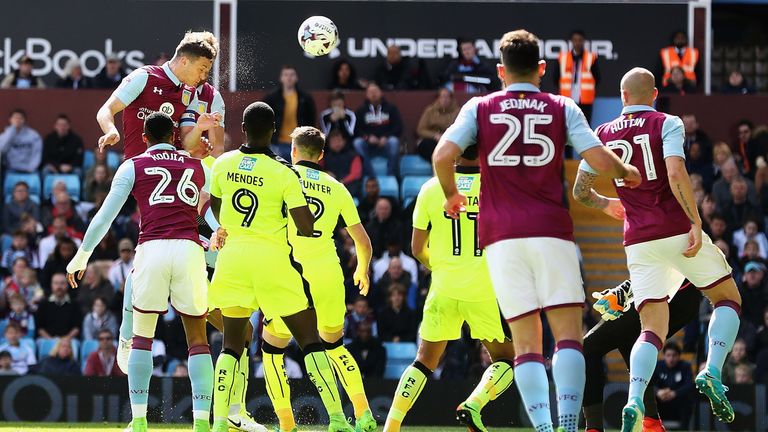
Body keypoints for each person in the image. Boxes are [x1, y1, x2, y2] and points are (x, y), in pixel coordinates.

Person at [433, 29, 639, 432]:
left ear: (500, 71)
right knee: (568, 336)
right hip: (550, 231)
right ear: (542, 69)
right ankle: (566, 424)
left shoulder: (479, 107)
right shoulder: (562, 106)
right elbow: (595, 154)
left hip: (500, 238)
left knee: (526, 344)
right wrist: (624, 170)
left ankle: (543, 429)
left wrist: (451, 194)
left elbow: (443, 154)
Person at [573, 67, 742, 429]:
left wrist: (606, 204)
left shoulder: (600, 134)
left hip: (637, 242)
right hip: (675, 229)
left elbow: (580, 191)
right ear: (653, 94)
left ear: (622, 97)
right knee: (727, 298)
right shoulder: (668, 122)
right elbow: (676, 172)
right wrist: (695, 221)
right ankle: (711, 370)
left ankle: (635, 401)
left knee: (650, 329)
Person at [207, 102, 354, 432]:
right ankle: (337, 419)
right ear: (274, 131)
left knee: (231, 344)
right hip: (272, 260)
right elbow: (304, 224)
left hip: (233, 259)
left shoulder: (223, 164)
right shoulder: (283, 171)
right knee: (309, 340)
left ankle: (217, 422)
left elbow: (216, 211)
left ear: (242, 128)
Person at [66, 112, 214, 432]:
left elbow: (105, 217)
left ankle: (139, 420)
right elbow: (212, 216)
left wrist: (81, 256)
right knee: (198, 339)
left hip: (152, 249)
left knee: (143, 338)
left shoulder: (132, 166)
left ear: (144, 138)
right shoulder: (199, 165)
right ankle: (202, 422)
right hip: (190, 249)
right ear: (175, 136)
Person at [384, 145, 517, 431]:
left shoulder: (431, 188)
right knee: (507, 358)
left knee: (424, 360)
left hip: (443, 286)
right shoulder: (499, 188)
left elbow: (417, 249)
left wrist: (443, 267)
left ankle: (391, 426)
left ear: (454, 152)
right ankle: (474, 404)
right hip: (485, 289)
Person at [258, 126, 377, 432]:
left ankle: (289, 424)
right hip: (327, 271)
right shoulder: (337, 187)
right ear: (322, 155)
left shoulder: (282, 177)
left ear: (293, 152)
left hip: (290, 272)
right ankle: (363, 414)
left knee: (273, 349)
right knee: (334, 346)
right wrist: (362, 269)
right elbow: (362, 242)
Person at [582, 280, 702, 432]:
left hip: (665, 292)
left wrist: (624, 289)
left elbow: (656, 264)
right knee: (629, 339)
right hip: (685, 300)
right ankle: (652, 422)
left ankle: (595, 428)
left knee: (588, 347)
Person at [96, 31, 220, 160]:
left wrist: (198, 128)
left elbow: (188, 144)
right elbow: (106, 110)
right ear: (184, 61)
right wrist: (110, 130)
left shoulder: (191, 93)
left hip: (173, 171)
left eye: (206, 72)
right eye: (201, 69)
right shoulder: (144, 76)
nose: (203, 77)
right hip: (138, 169)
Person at [263, 65, 317, 160]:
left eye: (292, 75)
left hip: (299, 143)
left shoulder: (305, 98)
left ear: (296, 78)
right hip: (276, 143)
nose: (289, 78)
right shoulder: (272, 98)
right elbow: (264, 118)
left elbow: (311, 119)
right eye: (286, 75)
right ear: (281, 78)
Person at [353, 83, 403, 176]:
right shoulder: (361, 110)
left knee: (394, 141)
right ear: (367, 95)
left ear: (381, 93)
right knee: (357, 143)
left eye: (375, 91)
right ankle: (370, 176)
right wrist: (367, 138)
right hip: (368, 144)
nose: (373, 94)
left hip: (386, 144)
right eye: (371, 92)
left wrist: (386, 137)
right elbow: (356, 130)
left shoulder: (391, 108)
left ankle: (391, 175)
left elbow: (398, 127)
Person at [554, 30, 601, 123]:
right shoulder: (563, 57)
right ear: (571, 41)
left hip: (585, 100)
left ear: (583, 41)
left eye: (580, 40)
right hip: (567, 98)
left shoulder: (591, 57)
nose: (577, 42)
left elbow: (597, 78)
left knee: (585, 125)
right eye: (575, 40)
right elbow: (555, 77)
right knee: (566, 125)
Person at [653, 342, 693, 428]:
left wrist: (674, 393)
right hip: (661, 400)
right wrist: (658, 392)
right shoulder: (657, 366)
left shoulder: (685, 366)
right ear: (664, 356)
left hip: (678, 401)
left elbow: (689, 385)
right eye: (668, 355)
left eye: (674, 355)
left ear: (679, 356)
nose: (671, 358)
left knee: (688, 397)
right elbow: (650, 384)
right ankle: (652, 425)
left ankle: (684, 428)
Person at [415, 88, 459, 161]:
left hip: (449, 141)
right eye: (442, 97)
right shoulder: (430, 110)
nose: (444, 100)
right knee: (425, 145)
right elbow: (420, 129)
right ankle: (436, 166)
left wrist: (445, 137)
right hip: (433, 140)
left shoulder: (457, 111)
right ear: (438, 98)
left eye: (447, 97)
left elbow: (459, 129)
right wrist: (435, 135)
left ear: (451, 99)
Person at [35, 273, 82, 339]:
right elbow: (39, 327)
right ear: (51, 285)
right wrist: (51, 340)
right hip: (47, 340)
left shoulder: (74, 305)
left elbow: (77, 327)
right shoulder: (43, 304)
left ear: (67, 285)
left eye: (62, 283)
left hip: (69, 340)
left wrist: (65, 339)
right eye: (56, 283)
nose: (59, 286)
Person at [0, 109, 43, 173]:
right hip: (10, 169)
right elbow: (2, 150)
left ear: (24, 120)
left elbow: (37, 154)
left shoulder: (34, 135)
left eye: (20, 118)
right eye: (15, 118)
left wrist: (31, 168)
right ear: (10, 120)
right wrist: (12, 132)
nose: (18, 120)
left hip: (29, 169)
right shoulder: (4, 135)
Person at [322, 130, 363, 196]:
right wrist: (326, 173)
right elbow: (318, 170)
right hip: (330, 187)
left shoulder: (354, 155)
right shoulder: (325, 157)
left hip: (350, 187)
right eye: (333, 141)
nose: (336, 143)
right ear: (329, 144)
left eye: (338, 140)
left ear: (344, 141)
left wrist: (342, 182)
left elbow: (356, 174)